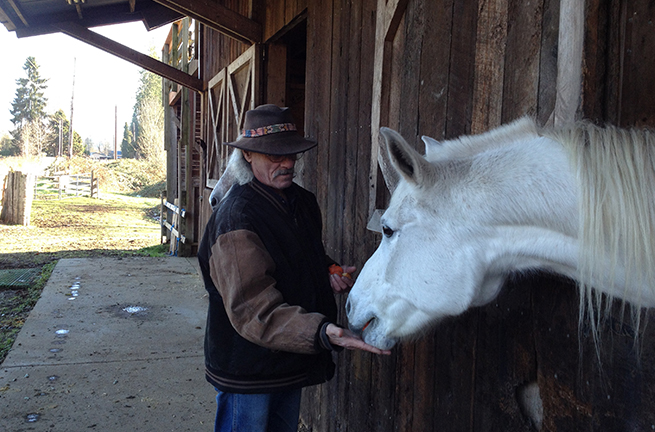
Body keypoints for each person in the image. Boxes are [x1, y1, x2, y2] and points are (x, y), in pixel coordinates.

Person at [198, 104, 390, 432]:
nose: (287, 163)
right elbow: (251, 309)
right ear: (248, 156)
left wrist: (326, 269)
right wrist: (320, 332)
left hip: (289, 357)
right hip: (249, 366)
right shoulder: (235, 218)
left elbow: (302, 255)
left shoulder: (301, 201)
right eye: (275, 156)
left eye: (291, 154)